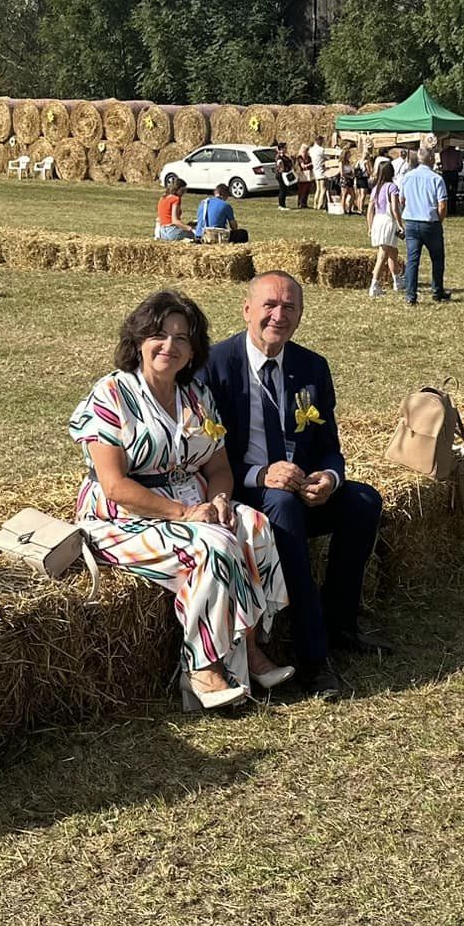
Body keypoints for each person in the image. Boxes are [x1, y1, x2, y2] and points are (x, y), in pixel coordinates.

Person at [69, 291, 291, 711]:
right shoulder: (111, 394)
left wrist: (220, 499)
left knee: (253, 526)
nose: (169, 345)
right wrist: (186, 514)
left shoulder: (196, 395)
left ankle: (247, 647)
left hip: (190, 502)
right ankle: (202, 666)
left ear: (193, 351)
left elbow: (218, 466)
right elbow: (114, 485)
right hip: (121, 517)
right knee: (214, 546)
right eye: (159, 334)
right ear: (139, 340)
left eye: (182, 338)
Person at [204, 273, 382, 698]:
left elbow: (329, 446)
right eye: (269, 305)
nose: (278, 316)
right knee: (282, 506)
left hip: (299, 488)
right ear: (246, 310)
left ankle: (340, 624)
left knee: (363, 501)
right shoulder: (214, 366)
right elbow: (203, 455)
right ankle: (312, 658)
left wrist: (329, 478)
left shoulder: (312, 366)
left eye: (289, 307)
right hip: (243, 490)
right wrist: (260, 474)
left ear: (300, 315)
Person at [398, 148, 449, 305]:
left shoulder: (407, 177)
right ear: (432, 159)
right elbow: (442, 205)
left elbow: (402, 200)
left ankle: (410, 295)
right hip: (430, 222)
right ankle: (437, 291)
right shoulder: (436, 179)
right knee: (437, 258)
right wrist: (438, 220)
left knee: (412, 260)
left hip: (411, 222)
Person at [366, 160, 405, 298]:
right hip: (388, 222)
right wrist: (400, 224)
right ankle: (374, 285)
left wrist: (370, 226)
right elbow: (394, 208)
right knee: (382, 255)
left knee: (393, 252)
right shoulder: (392, 187)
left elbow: (370, 209)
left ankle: (397, 280)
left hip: (378, 221)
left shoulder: (375, 188)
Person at [154, 174, 195, 242]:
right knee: (198, 235)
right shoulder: (176, 199)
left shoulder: (163, 198)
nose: (184, 193)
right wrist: (190, 228)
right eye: (183, 190)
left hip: (162, 232)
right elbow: (175, 221)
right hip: (172, 232)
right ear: (178, 189)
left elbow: (160, 218)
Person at [439, 140, 464, 210]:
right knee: (454, 191)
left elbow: (439, 163)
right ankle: (453, 208)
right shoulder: (457, 153)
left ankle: (446, 208)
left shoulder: (442, 153)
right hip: (454, 172)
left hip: (445, 173)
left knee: (445, 191)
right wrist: (459, 168)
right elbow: (460, 164)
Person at [308, 137, 330, 211]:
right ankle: (320, 205)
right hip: (321, 170)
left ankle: (315, 204)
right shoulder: (321, 150)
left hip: (315, 170)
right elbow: (327, 157)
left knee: (318, 189)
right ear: (319, 141)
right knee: (323, 189)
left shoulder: (311, 150)